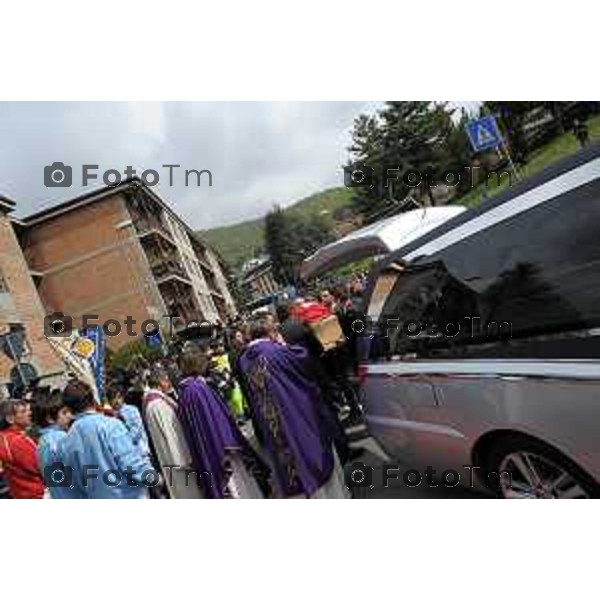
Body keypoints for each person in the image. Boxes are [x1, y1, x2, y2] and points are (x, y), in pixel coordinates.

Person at [238, 317, 350, 499]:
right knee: (313, 460)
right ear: (271, 332)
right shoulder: (276, 351)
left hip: (274, 422)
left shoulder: (245, 360)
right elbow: (304, 360)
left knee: (292, 467)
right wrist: (283, 344)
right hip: (296, 416)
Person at [177, 351, 268, 499]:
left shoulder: (186, 392)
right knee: (238, 487)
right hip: (220, 448)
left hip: (209, 447)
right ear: (196, 364)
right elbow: (214, 421)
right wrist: (230, 440)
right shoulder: (198, 389)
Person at [60, 380, 154, 499]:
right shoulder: (111, 425)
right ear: (92, 400)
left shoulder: (66, 441)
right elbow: (132, 465)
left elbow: (76, 481)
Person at [142, 370, 204, 499]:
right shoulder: (157, 404)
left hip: (172, 460)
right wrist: (184, 461)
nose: (169, 383)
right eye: (167, 380)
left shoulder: (154, 401)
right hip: (178, 463)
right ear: (161, 381)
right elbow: (171, 436)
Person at [31, 391, 73, 499]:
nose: (70, 416)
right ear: (50, 419)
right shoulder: (60, 438)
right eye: (64, 413)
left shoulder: (43, 440)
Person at [0, 399, 45, 499]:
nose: (29, 413)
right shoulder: (17, 441)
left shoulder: (4, 437)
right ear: (10, 419)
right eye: (23, 411)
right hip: (37, 494)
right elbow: (42, 467)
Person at [106, 386, 150, 458]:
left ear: (123, 397)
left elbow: (136, 431)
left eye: (119, 397)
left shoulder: (132, 410)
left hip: (141, 452)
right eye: (113, 398)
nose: (117, 401)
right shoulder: (109, 416)